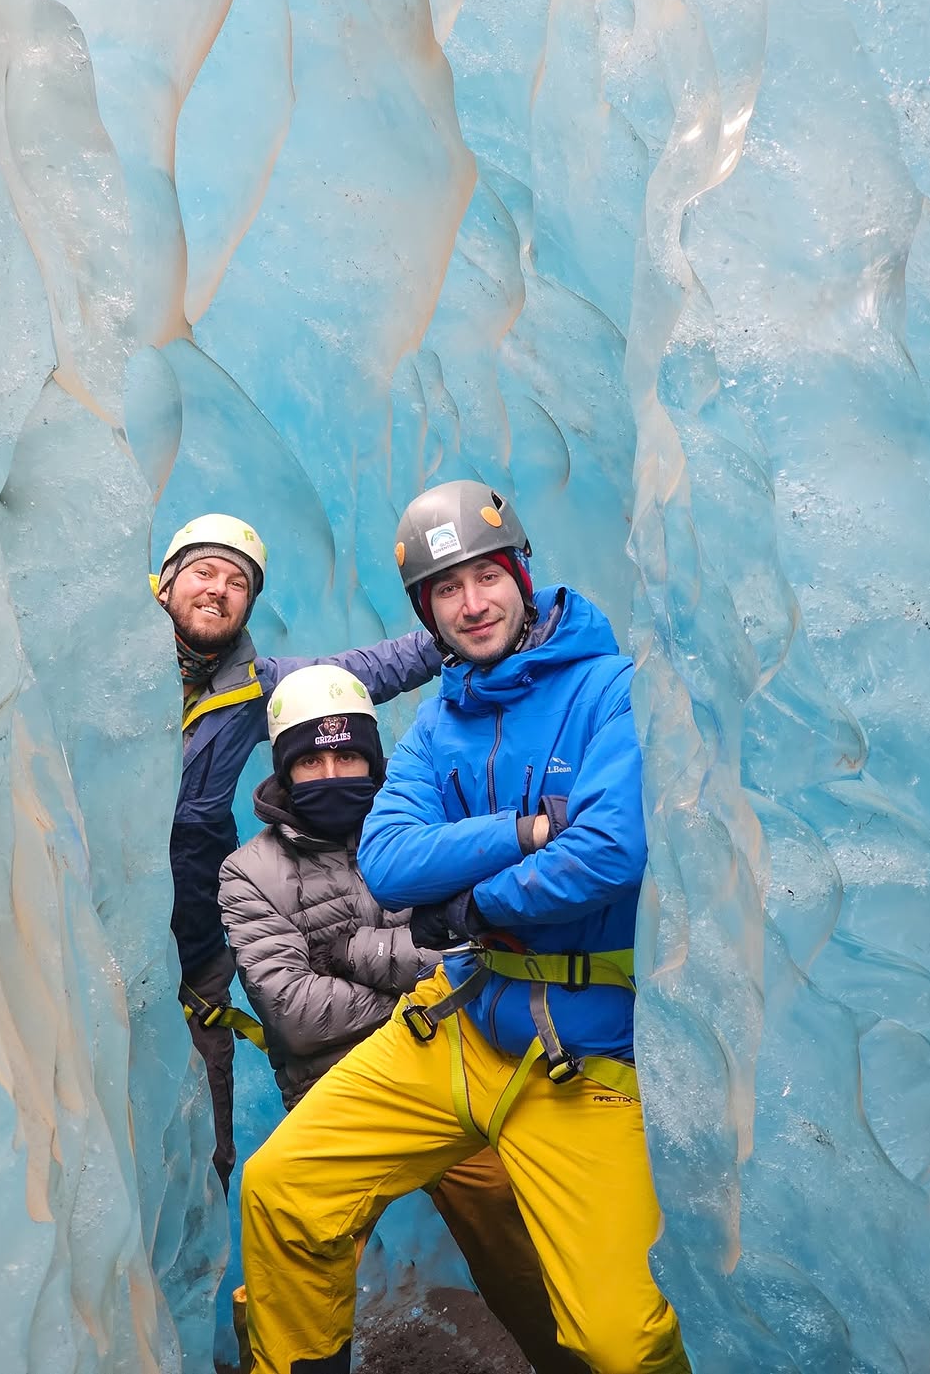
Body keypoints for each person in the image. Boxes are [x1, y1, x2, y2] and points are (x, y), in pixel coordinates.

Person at [239, 481, 690, 1373]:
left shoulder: (610, 690)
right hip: (457, 1021)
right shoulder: (439, 719)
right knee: (282, 1189)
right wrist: (528, 831)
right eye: (447, 589)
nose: (472, 602)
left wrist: (475, 903)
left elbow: (609, 850)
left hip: (582, 1046)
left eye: (486, 575)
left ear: (521, 575)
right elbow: (392, 858)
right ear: (426, 612)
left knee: (622, 1338)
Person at [219, 665, 587, 1374]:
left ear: (373, 759)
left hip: (449, 1062)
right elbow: (293, 1013)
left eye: (347, 756)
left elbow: (478, 945)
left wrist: (358, 953)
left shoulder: (420, 831)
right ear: (285, 769)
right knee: (287, 1253)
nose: (332, 772)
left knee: (526, 1245)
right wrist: (421, 980)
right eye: (311, 759)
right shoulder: (249, 871)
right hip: (333, 1088)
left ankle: (568, 1360)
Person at [154, 513, 441, 1194]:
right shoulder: (102, 665)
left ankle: (201, 1257)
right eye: (203, 572)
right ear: (164, 583)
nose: (217, 591)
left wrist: (455, 637)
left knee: (197, 1114)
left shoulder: (252, 686)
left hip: (194, 938)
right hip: (97, 922)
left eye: (237, 582)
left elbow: (354, 676)